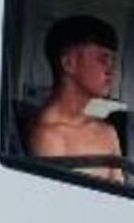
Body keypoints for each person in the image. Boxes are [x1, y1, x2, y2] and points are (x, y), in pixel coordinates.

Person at [26, 14, 122, 183]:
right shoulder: (47, 135)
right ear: (69, 64)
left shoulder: (108, 132)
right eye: (102, 59)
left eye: (112, 60)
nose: (111, 69)